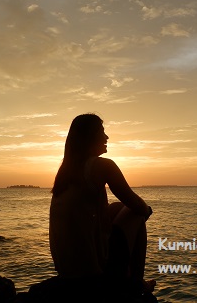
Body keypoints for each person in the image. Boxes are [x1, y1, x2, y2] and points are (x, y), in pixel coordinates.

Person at [49, 113, 155, 294]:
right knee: (137, 213)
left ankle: (128, 277)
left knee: (117, 208)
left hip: (67, 269)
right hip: (90, 273)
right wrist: (147, 211)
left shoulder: (66, 171)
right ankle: (135, 283)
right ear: (89, 137)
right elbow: (136, 204)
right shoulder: (102, 166)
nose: (106, 137)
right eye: (102, 131)